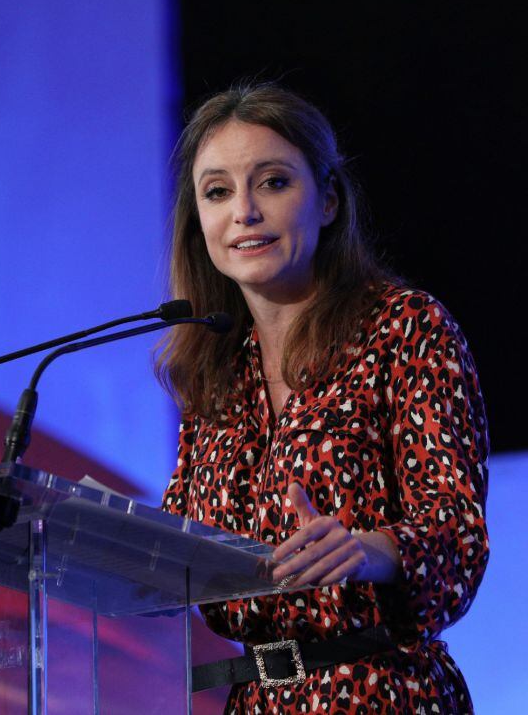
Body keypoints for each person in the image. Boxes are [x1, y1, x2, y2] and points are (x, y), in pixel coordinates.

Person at [158, 83, 489, 714]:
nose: (244, 212)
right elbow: (182, 546)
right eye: (218, 191)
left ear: (329, 200)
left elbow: (456, 535)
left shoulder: (404, 329)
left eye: (274, 182)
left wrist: (370, 550)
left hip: (379, 693)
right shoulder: (215, 367)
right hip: (255, 699)